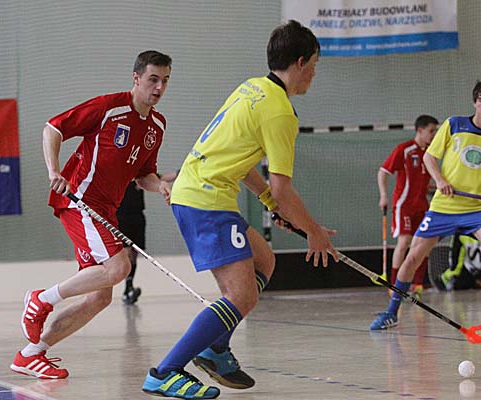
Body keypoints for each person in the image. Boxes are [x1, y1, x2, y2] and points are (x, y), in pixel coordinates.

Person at [141, 20, 338, 399]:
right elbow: (282, 188)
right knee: (241, 295)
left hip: (200, 192)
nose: (314, 72)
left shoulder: (252, 87)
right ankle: (164, 372)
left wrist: (270, 204)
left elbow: (245, 165)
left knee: (264, 261)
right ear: (300, 62)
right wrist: (313, 231)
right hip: (205, 199)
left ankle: (215, 349)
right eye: (314, 64)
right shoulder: (280, 112)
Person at [10, 50, 173, 379]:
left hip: (107, 210)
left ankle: (31, 355)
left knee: (99, 297)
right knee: (119, 267)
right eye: (153, 79)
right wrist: (53, 171)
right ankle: (41, 299)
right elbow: (52, 129)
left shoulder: (157, 126)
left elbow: (143, 175)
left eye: (165, 81)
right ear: (136, 78)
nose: (159, 87)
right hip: (79, 199)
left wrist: (161, 187)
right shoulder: (109, 107)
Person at [370, 81, 481, 330]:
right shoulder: (454, 124)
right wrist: (440, 181)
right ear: (474, 103)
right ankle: (392, 311)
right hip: (444, 207)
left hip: (477, 208)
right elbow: (429, 157)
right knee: (413, 256)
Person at [378, 115, 439, 298]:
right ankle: (395, 285)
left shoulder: (430, 153)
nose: (434, 135)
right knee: (404, 242)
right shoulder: (404, 149)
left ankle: (417, 284)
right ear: (420, 130)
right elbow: (383, 172)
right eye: (431, 131)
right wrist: (383, 195)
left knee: (423, 244)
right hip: (403, 205)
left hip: (422, 206)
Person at [118, 171, 178, 305]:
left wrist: (181, 172)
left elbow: (160, 178)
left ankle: (128, 287)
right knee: (127, 252)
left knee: (134, 254)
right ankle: (127, 287)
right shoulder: (119, 174)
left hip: (137, 216)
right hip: (122, 216)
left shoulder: (140, 173)